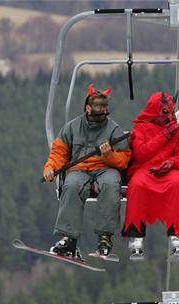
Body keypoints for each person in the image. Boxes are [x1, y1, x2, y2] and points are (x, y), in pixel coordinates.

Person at [43, 83, 131, 260]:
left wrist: (108, 155)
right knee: (72, 184)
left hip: (106, 168)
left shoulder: (113, 129)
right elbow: (59, 152)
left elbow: (123, 160)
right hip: (80, 168)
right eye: (98, 107)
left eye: (105, 107)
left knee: (110, 184)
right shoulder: (72, 127)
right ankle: (69, 238)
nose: (102, 111)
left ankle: (105, 237)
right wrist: (51, 167)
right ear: (88, 107)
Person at [122, 91, 179, 257]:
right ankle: (136, 236)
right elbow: (142, 154)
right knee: (137, 185)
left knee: (177, 182)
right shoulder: (140, 128)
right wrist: (164, 136)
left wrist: (172, 163)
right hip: (144, 170)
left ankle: (176, 235)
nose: (171, 117)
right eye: (166, 112)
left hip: (170, 171)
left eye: (172, 112)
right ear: (155, 112)